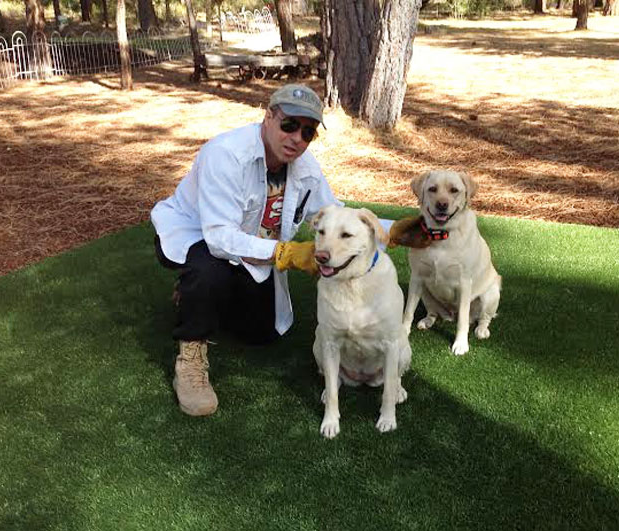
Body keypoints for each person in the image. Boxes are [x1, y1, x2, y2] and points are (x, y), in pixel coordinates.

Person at [151, 83, 427, 417]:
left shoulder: (305, 167)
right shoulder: (225, 154)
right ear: (268, 116)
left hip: (255, 247)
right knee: (209, 269)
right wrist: (286, 254)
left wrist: (392, 232)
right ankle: (191, 356)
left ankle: (204, 297)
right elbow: (220, 237)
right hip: (196, 235)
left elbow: (335, 214)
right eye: (289, 125)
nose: (297, 138)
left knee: (261, 333)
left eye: (307, 132)